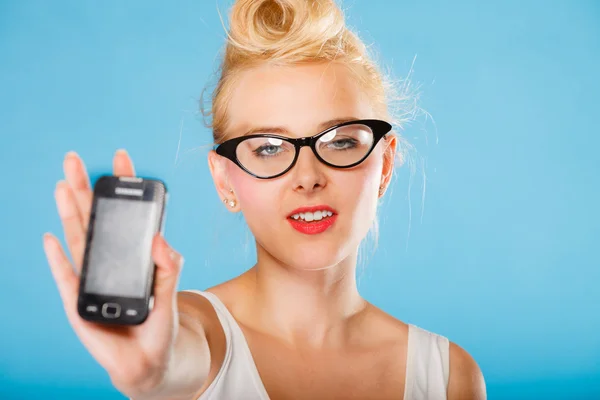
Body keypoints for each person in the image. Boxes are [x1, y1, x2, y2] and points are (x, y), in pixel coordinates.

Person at [42, 0, 486, 399]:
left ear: (385, 165)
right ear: (225, 181)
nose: (308, 177)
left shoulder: (448, 377)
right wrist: (151, 377)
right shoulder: (191, 334)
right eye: (269, 148)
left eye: (341, 142)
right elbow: (174, 363)